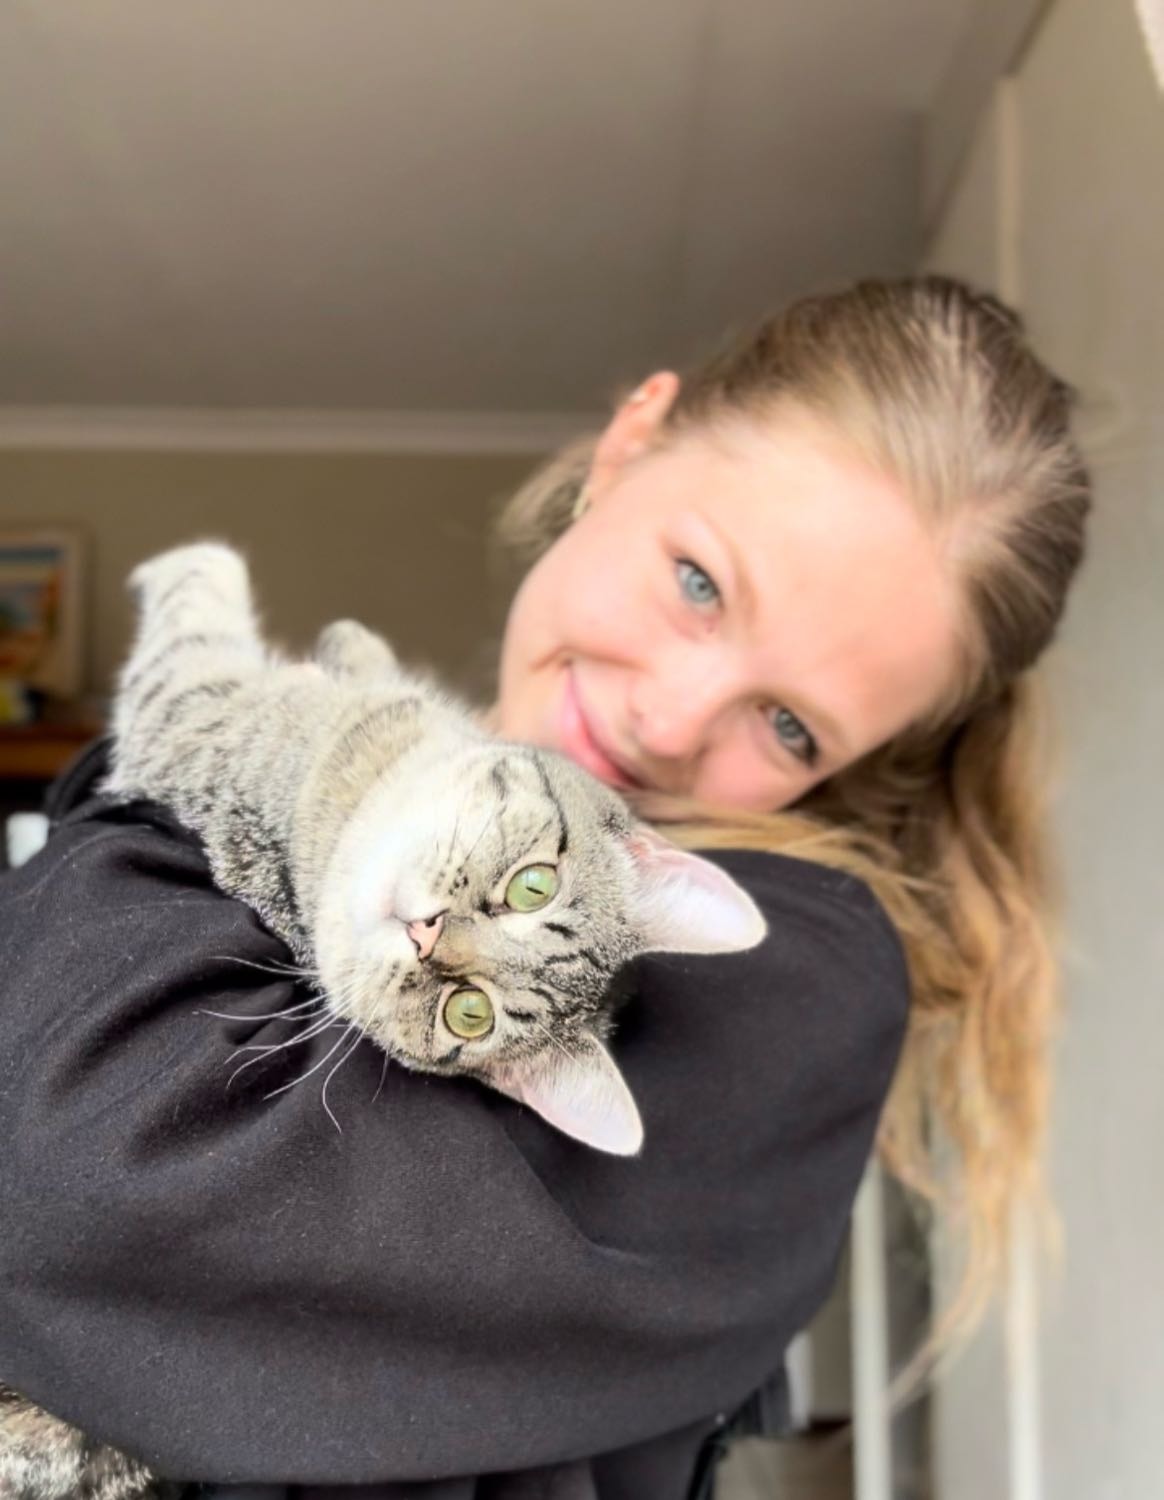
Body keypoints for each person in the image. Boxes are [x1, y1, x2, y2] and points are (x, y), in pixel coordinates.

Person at [0, 274, 1090, 1499]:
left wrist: (192, 761)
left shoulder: (798, 973)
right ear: (630, 445)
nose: (669, 723)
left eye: (790, 726)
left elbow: (67, 1186)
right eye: (699, 583)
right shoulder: (419, 804)